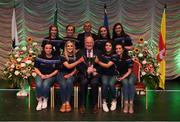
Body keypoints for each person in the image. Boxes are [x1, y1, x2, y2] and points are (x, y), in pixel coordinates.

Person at [95, 43, 137, 114]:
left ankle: (131, 104)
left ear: (123, 49)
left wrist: (122, 77)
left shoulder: (128, 58)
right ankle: (126, 104)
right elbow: (108, 65)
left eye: (120, 48)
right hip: (120, 75)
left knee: (130, 83)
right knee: (125, 84)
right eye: (117, 49)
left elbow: (130, 71)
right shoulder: (114, 57)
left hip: (130, 75)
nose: (118, 50)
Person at [76, 35, 101, 114]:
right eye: (87, 42)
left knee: (94, 83)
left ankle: (95, 105)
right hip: (83, 73)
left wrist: (95, 70)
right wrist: (86, 71)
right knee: (83, 82)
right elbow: (78, 65)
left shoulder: (98, 52)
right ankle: (82, 105)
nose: (89, 44)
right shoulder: (80, 52)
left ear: (93, 43)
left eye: (90, 42)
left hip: (95, 73)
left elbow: (102, 64)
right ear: (84, 43)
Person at [34, 41, 59, 111]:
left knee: (45, 84)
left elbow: (57, 70)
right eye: (46, 48)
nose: (48, 49)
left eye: (50, 48)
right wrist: (41, 75)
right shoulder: (39, 57)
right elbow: (36, 68)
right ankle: (39, 101)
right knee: (38, 84)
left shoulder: (55, 58)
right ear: (44, 49)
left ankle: (45, 99)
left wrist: (48, 76)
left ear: (52, 49)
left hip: (51, 76)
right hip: (40, 74)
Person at [58, 40, 78, 112]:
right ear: (65, 47)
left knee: (69, 82)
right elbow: (68, 66)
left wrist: (71, 74)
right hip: (61, 73)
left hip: (72, 73)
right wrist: (79, 61)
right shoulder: (62, 56)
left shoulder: (76, 56)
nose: (70, 47)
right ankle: (63, 103)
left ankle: (67, 102)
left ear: (74, 47)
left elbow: (77, 68)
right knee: (63, 84)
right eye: (68, 46)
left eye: (71, 46)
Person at [98, 40, 117, 112]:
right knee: (105, 84)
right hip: (104, 74)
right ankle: (104, 102)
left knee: (111, 84)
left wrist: (98, 61)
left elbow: (108, 65)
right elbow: (99, 65)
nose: (108, 47)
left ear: (112, 47)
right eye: (106, 45)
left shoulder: (115, 55)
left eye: (110, 45)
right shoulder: (101, 54)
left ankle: (114, 100)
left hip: (114, 74)